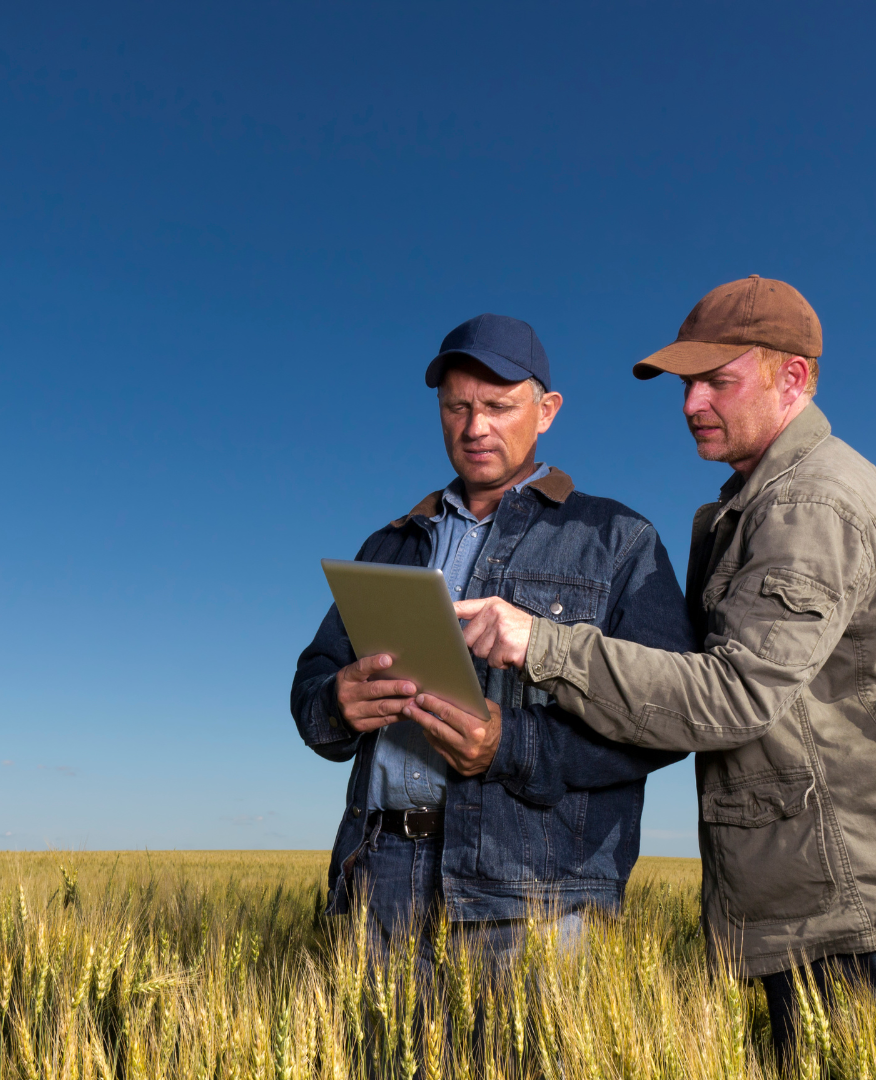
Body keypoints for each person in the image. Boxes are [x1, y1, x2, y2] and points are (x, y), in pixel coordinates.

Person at [445, 278, 876, 1050]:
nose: (692, 403)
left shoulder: (811, 506)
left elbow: (735, 696)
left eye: (716, 381)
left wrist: (542, 642)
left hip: (852, 902)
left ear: (790, 378)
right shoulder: (759, 502)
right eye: (685, 383)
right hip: (817, 891)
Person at [291, 313, 692, 954]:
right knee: (382, 1060)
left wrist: (514, 746)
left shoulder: (619, 542)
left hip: (534, 887)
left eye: (499, 406)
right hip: (380, 871)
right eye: (458, 407)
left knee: (523, 1060)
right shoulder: (389, 544)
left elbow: (671, 719)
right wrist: (335, 702)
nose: (475, 427)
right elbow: (314, 677)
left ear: (547, 411)